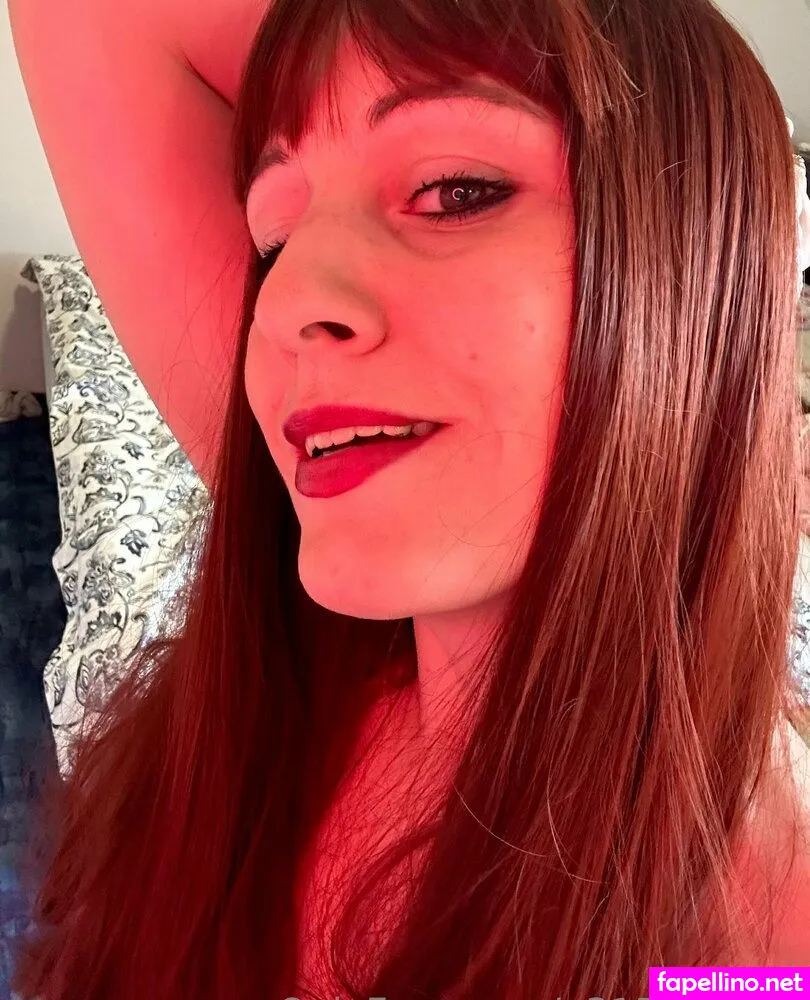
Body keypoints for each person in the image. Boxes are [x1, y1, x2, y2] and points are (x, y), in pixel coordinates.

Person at [8, 0, 810, 996]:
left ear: (697, 273)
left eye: (455, 191)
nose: (287, 305)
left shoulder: (767, 946)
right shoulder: (285, 681)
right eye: (273, 239)